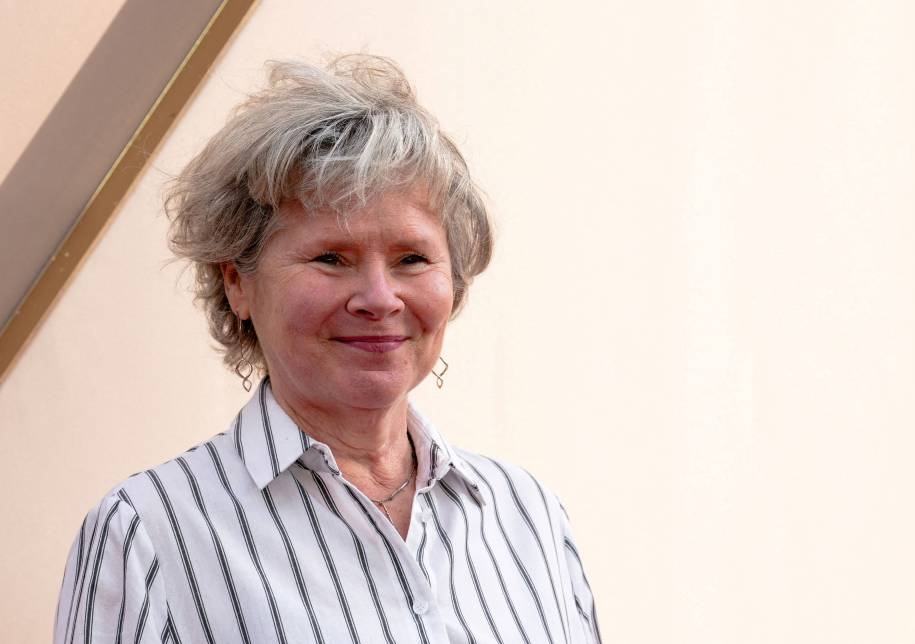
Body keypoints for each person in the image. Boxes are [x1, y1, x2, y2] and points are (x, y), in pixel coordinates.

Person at [54, 55, 601, 643]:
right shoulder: (148, 531)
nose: (379, 298)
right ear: (237, 281)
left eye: (411, 258)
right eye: (331, 258)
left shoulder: (529, 515)